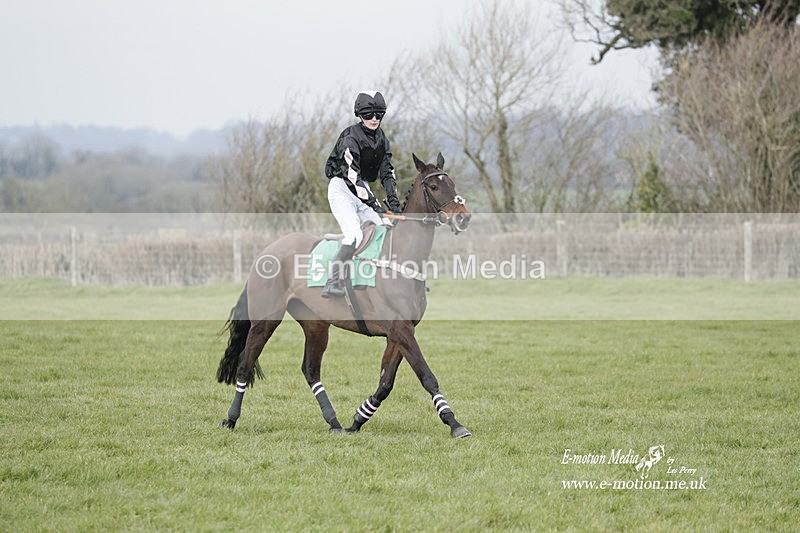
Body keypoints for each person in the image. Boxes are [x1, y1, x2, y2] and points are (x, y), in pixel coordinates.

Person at [321, 91, 401, 298]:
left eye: (378, 115)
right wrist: (376, 205)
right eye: (368, 115)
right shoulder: (349, 138)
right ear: (359, 115)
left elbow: (387, 172)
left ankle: (369, 279)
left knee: (384, 228)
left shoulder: (383, 139)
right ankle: (332, 281)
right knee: (355, 235)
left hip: (362, 189)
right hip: (342, 189)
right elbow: (352, 177)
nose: (374, 119)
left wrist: (393, 202)